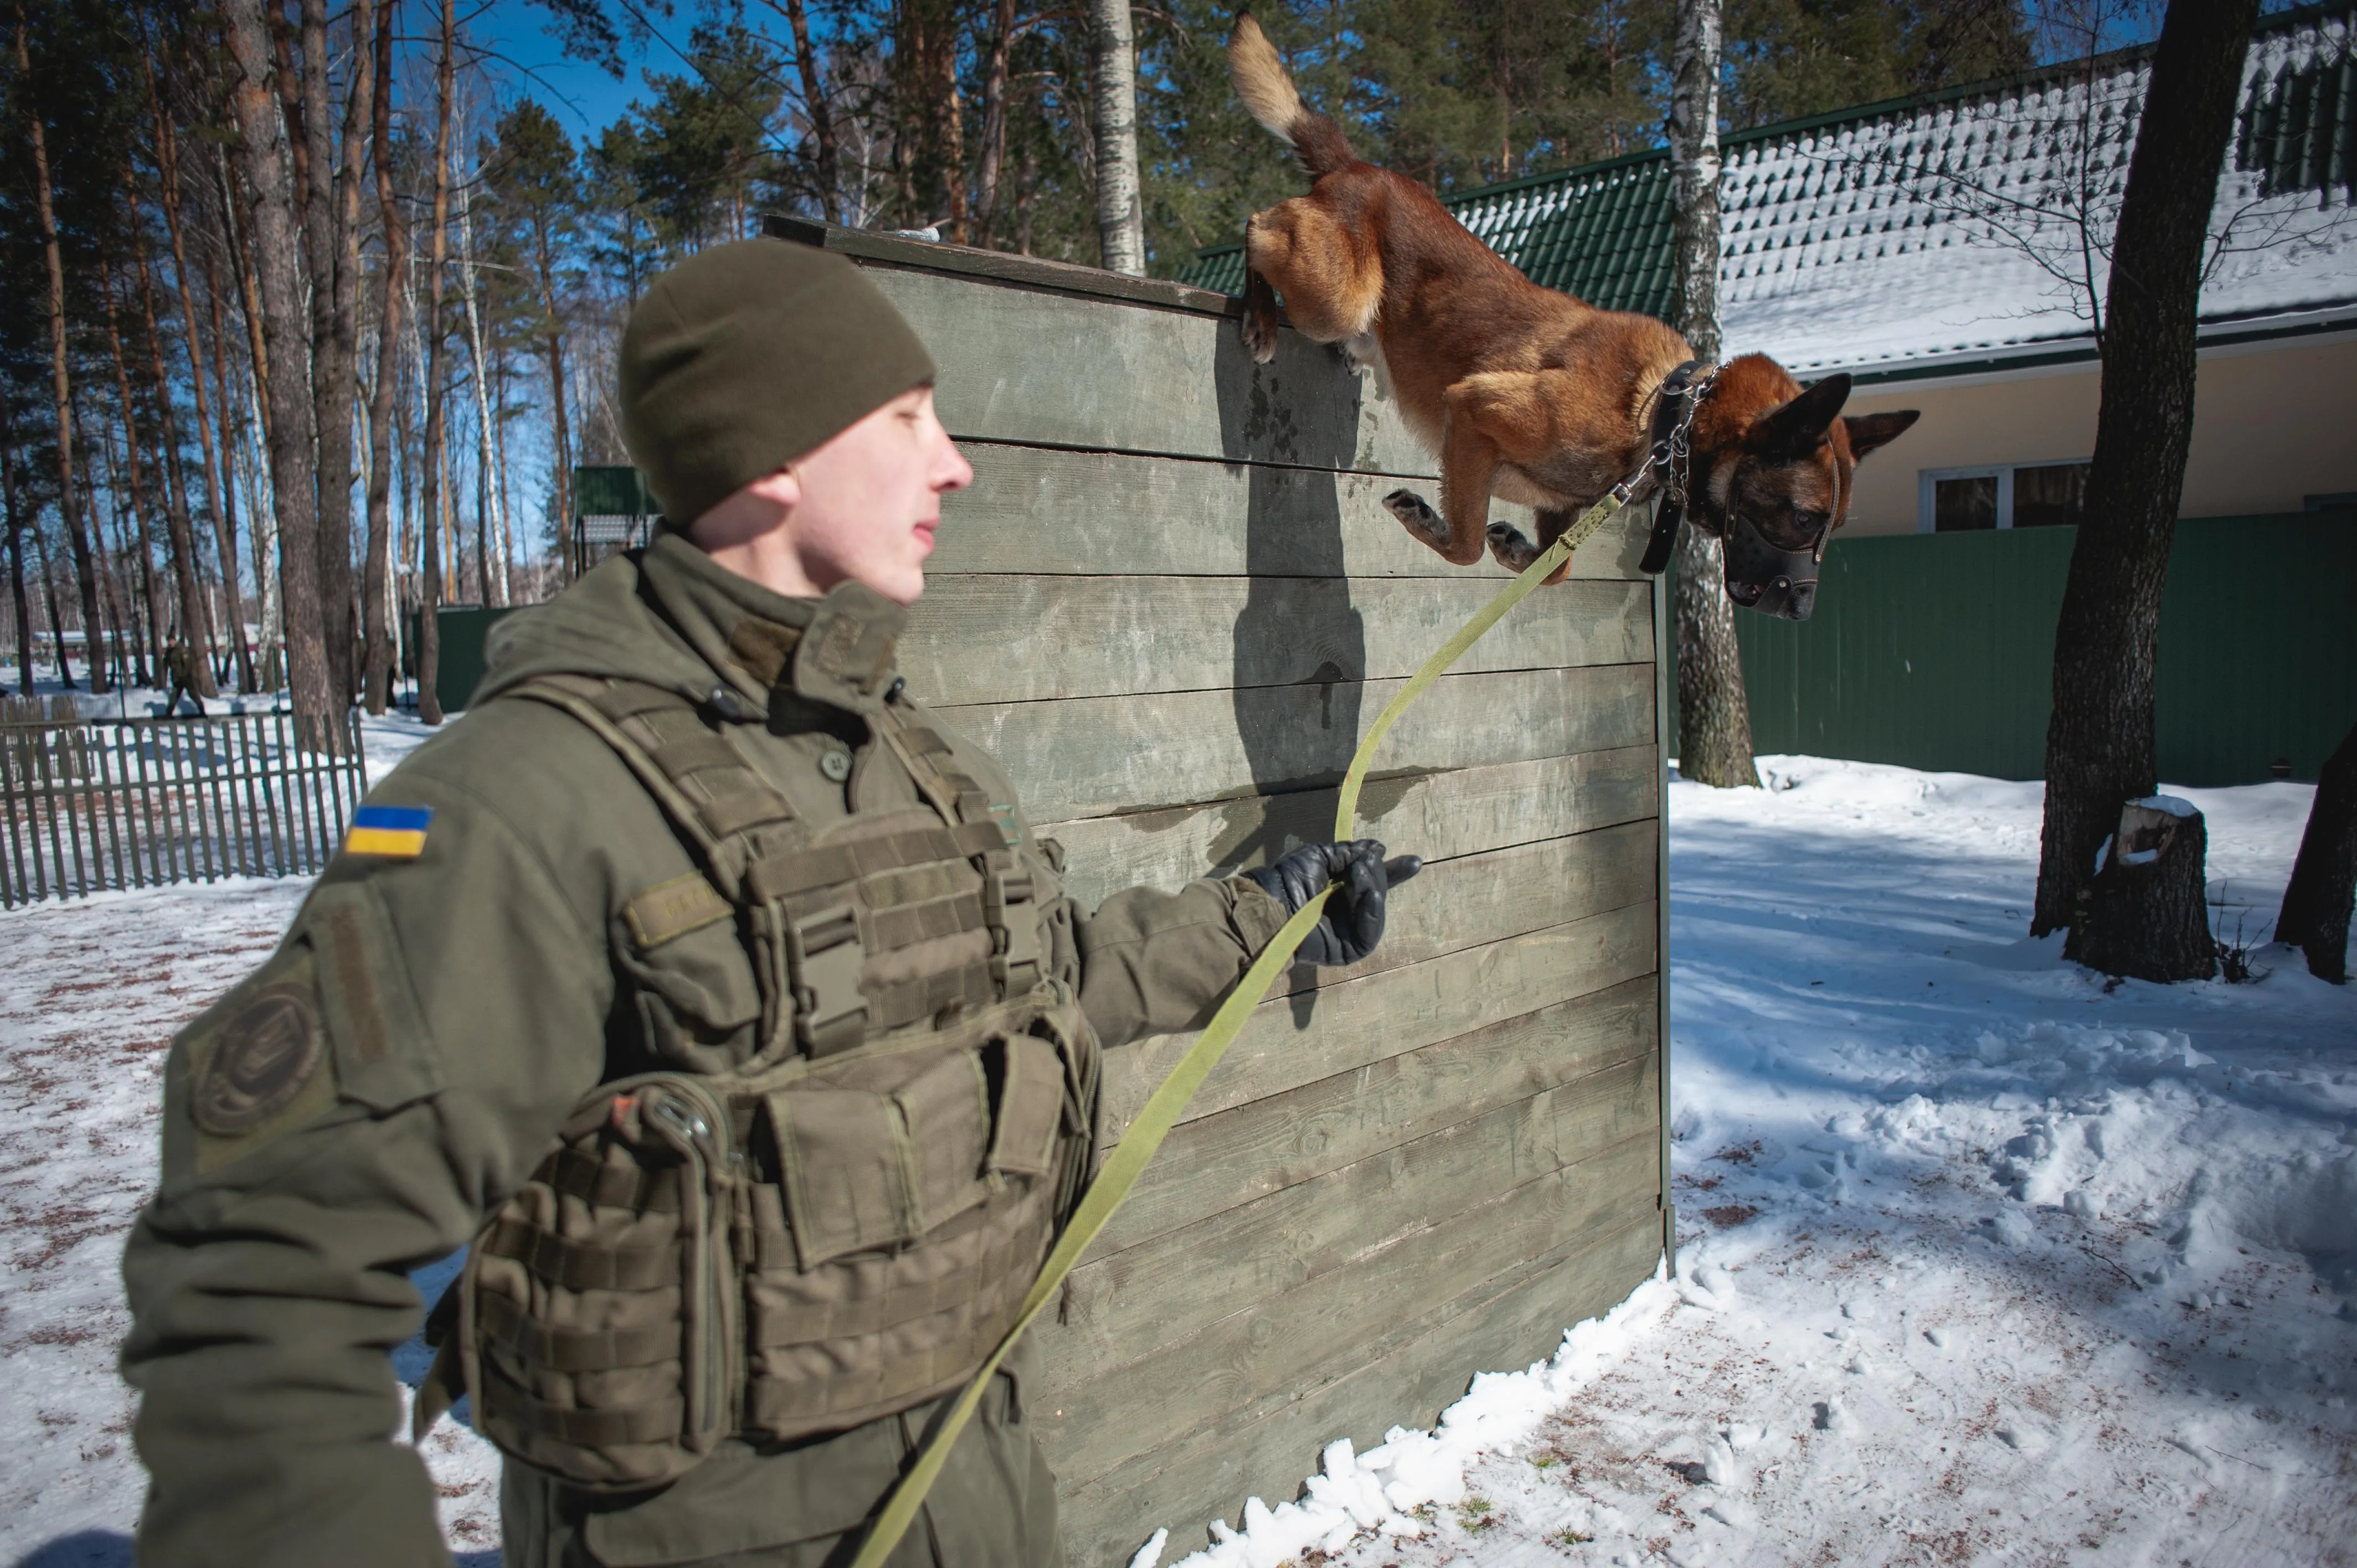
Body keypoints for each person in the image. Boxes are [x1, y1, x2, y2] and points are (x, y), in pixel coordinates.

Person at [121, 238, 1418, 1567]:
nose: (952, 461)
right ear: (778, 451)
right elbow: (259, 1281)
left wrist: (1270, 909)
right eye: (909, 417)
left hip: (983, 1509)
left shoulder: (916, 755)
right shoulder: (521, 798)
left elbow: (1045, 984)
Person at [161, 638, 204, 718]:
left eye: (172, 640)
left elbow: (187, 664)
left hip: (186, 678)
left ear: (175, 641)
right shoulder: (169, 651)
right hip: (177, 679)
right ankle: (168, 714)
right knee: (174, 696)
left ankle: (202, 711)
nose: (170, 642)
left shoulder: (182, 650)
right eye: (169, 641)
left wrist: (185, 675)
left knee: (193, 695)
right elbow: (166, 664)